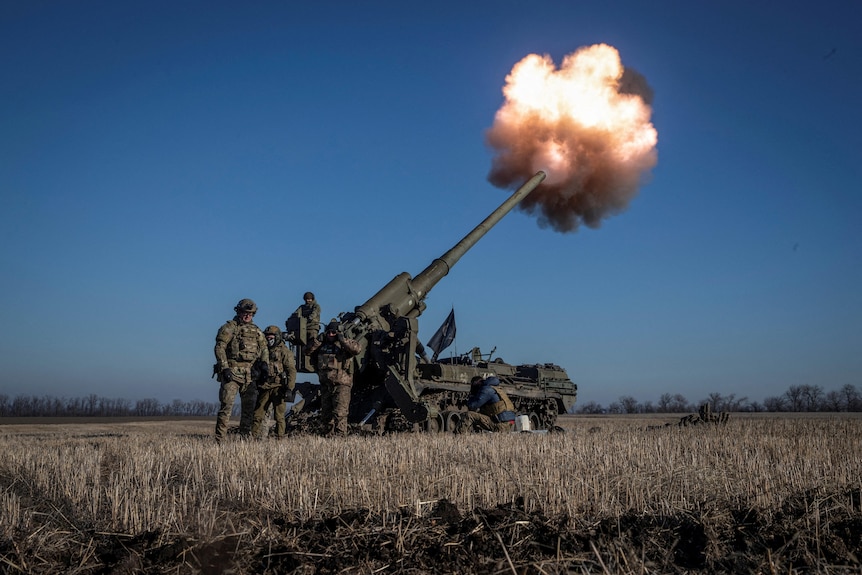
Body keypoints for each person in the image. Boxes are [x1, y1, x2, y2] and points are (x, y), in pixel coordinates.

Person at [213, 298, 269, 442]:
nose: (247, 316)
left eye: (250, 313)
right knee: (226, 408)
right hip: (232, 373)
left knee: (248, 411)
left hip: (249, 376)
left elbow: (264, 349)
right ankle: (219, 441)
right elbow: (220, 347)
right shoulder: (229, 328)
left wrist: (264, 366)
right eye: (245, 312)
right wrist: (224, 367)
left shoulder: (257, 331)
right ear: (239, 311)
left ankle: (244, 441)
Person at [306, 319, 361, 436]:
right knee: (326, 414)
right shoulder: (322, 345)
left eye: (334, 332)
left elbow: (356, 349)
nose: (331, 335)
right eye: (329, 332)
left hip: (341, 383)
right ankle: (328, 436)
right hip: (326, 384)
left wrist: (342, 340)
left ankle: (340, 436)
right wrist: (317, 341)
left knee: (340, 413)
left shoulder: (344, 346)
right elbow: (307, 351)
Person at [251, 326, 297, 439]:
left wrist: (289, 388)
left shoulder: (284, 351)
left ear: (277, 337)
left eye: (271, 337)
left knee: (279, 416)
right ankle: (252, 438)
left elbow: (291, 370)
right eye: (267, 337)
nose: (269, 339)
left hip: (279, 387)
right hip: (265, 387)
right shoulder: (262, 351)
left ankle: (280, 438)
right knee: (258, 414)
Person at [286, 291, 321, 371]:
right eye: (307, 299)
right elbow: (296, 313)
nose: (308, 301)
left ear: (312, 299)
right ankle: (302, 362)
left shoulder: (316, 306)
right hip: (303, 329)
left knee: (312, 344)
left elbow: (314, 314)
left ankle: (312, 362)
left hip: (312, 328)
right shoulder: (302, 307)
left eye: (309, 299)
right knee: (302, 345)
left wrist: (309, 318)